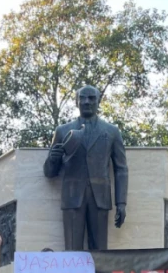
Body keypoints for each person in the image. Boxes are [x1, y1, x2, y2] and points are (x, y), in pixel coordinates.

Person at [43, 85, 129, 250]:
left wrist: (121, 202)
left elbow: (121, 168)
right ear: (76, 102)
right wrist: (53, 159)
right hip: (72, 196)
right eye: (82, 98)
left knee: (100, 252)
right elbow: (49, 172)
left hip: (100, 198)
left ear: (98, 102)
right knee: (72, 251)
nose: (86, 102)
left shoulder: (112, 131)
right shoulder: (62, 131)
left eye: (91, 98)